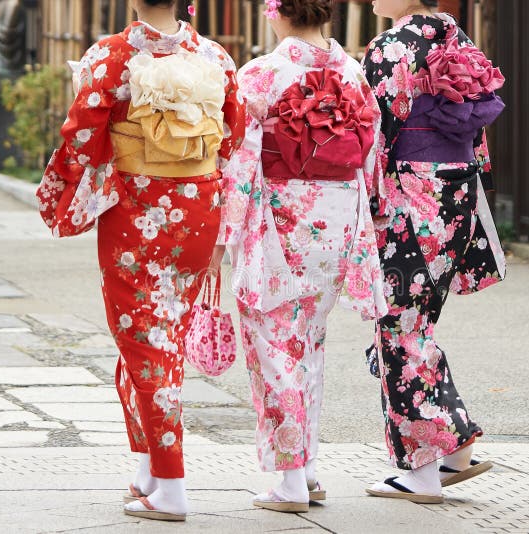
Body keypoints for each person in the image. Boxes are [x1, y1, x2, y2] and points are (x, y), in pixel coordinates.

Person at [35, 0, 244, 521]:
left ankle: (172, 485)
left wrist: (58, 187)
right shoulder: (216, 56)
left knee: (146, 342)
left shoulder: (113, 55)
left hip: (138, 209)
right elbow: (233, 135)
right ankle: (149, 468)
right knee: (157, 339)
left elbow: (81, 134)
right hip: (198, 206)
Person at [216, 0, 387, 513]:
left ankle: (289, 479)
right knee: (309, 342)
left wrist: (224, 235)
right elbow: (370, 153)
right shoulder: (352, 72)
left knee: (272, 346)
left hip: (281, 222)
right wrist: (366, 222)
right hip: (338, 221)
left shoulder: (263, 73)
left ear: (277, 12)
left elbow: (240, 160)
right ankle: (307, 469)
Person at [361, 0, 506, 503]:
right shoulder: (457, 39)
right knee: (415, 324)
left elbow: (374, 136)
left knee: (398, 327)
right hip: (456, 193)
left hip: (409, 194)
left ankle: (419, 471)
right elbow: (476, 133)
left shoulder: (393, 46)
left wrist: (367, 206)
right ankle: (454, 447)